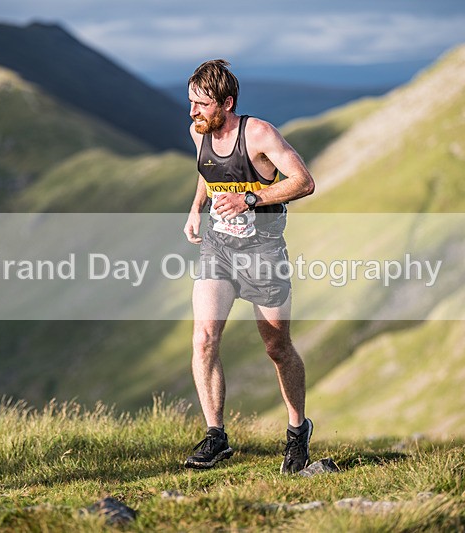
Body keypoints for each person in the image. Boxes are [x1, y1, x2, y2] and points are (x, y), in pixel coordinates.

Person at [182, 59, 316, 474]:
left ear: (227, 102)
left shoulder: (257, 133)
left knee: (277, 348)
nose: (192, 113)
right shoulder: (197, 132)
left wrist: (251, 199)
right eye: (189, 103)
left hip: (264, 252)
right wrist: (196, 208)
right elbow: (208, 171)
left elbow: (303, 181)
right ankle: (216, 436)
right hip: (218, 250)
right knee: (204, 338)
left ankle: (297, 432)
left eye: (201, 105)